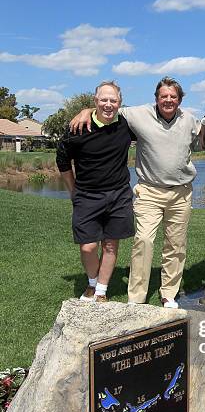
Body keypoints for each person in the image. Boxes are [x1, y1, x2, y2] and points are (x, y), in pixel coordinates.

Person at [70, 77, 201, 308]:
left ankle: (168, 293)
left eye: (173, 96)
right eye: (164, 96)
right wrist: (85, 110)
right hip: (149, 191)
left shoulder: (190, 120)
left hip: (181, 193)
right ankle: (137, 298)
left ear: (179, 99)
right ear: (156, 98)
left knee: (176, 245)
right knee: (143, 241)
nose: (168, 100)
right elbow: (108, 108)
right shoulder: (138, 114)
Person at [56, 81, 136, 302]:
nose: (108, 105)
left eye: (113, 100)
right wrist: (73, 190)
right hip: (87, 195)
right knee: (88, 246)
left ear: (119, 102)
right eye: (104, 100)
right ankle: (91, 282)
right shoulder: (78, 127)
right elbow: (62, 160)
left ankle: (100, 290)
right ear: (95, 101)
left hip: (119, 194)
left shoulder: (125, 125)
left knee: (110, 245)